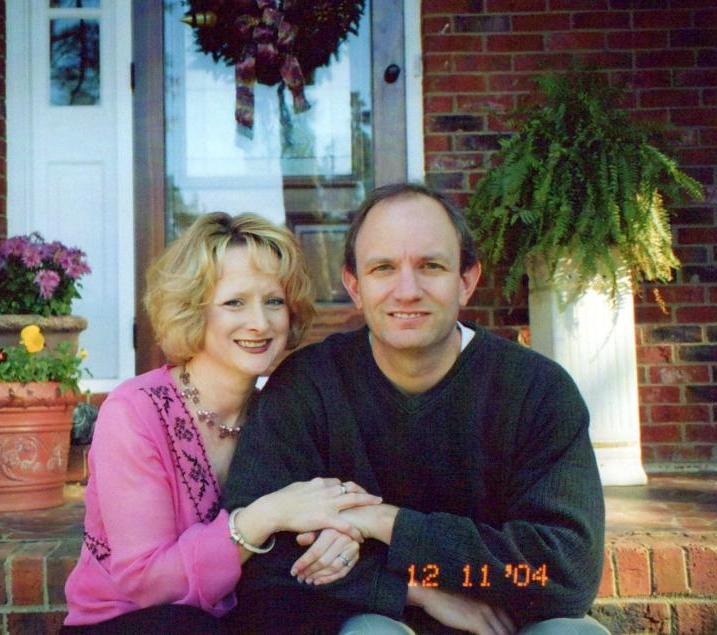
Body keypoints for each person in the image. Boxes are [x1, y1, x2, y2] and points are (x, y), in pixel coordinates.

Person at [223, 183, 608, 635]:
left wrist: (383, 521)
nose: (407, 290)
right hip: (373, 622)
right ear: (355, 285)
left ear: (466, 281)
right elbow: (264, 559)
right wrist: (407, 586)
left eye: (431, 266)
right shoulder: (308, 386)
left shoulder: (537, 391)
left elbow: (564, 576)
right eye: (383, 268)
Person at [61, 212, 383, 634]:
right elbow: (149, 585)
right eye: (234, 302)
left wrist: (339, 536)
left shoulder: (283, 407)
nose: (260, 323)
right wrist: (263, 516)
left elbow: (315, 515)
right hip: (131, 623)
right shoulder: (134, 412)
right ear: (194, 310)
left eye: (274, 301)